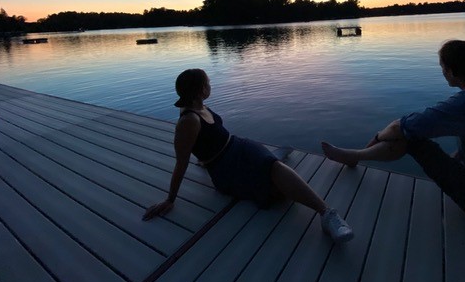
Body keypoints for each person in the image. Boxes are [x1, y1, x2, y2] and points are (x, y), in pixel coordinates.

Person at [322, 40, 465, 238]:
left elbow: (399, 127)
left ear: (451, 71)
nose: (441, 71)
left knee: (411, 138)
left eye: (442, 66)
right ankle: (355, 157)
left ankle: (356, 156)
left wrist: (377, 137)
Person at [143, 68, 353, 243]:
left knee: (274, 169)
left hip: (237, 146)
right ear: (200, 90)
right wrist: (170, 199)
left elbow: (205, 141)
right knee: (278, 193)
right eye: (208, 82)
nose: (211, 85)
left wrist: (202, 157)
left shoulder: (200, 106)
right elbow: (181, 161)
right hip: (226, 168)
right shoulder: (188, 121)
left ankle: (325, 212)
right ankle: (322, 210)